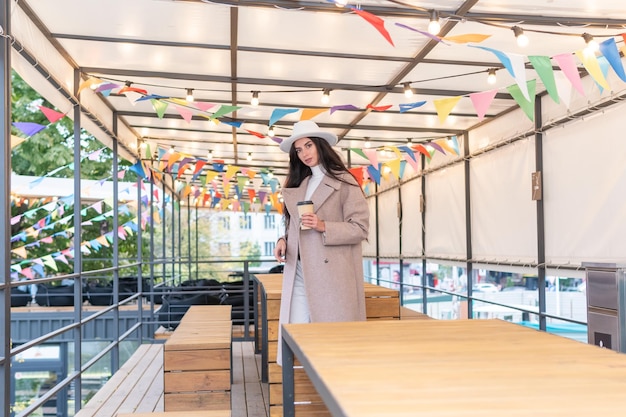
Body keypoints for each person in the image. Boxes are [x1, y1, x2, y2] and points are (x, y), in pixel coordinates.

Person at [273, 120, 369, 364]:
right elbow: (296, 224)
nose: (304, 153)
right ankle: (300, 395)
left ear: (320, 145)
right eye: (299, 150)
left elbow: (360, 228)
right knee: (295, 333)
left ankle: (327, 396)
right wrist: (283, 239)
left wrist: (323, 225)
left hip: (331, 276)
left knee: (331, 344)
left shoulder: (345, 182)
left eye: (308, 146)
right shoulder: (300, 185)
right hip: (299, 270)